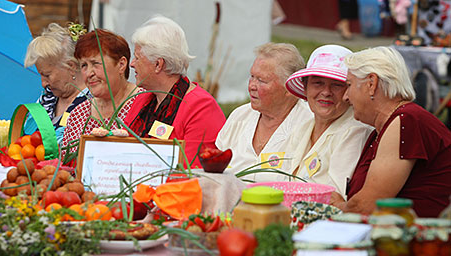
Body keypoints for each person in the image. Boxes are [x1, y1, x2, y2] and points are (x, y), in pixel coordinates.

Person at [330, 46, 451, 217]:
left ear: (371, 84)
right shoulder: (388, 126)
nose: (345, 97)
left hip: (425, 238)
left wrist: (335, 206)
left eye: (349, 85)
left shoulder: (406, 120)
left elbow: (366, 207)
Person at [124, 16, 226, 168]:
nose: (132, 64)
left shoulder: (201, 108)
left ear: (158, 64)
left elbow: (193, 172)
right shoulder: (143, 99)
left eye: (137, 58)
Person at [216, 42, 313, 182]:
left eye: (261, 80)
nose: (251, 86)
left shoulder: (309, 124)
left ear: (289, 88)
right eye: (252, 77)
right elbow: (216, 172)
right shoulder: (240, 116)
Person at [284, 45, 373, 198]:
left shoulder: (355, 131)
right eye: (318, 83)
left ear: (349, 91)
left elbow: (336, 196)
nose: (326, 92)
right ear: (305, 87)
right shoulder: (303, 127)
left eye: (337, 85)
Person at [61, 29, 138, 156]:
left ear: (121, 64)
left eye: (96, 63)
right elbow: (66, 167)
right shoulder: (78, 114)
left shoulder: (145, 104)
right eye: (84, 65)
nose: (89, 73)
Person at [24, 23, 90, 145]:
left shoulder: (92, 103)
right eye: (41, 75)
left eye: (47, 75)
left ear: (71, 66)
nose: (43, 83)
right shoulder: (48, 97)